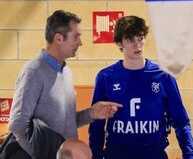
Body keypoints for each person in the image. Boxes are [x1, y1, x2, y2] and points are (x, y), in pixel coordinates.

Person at [8, 10, 122, 158]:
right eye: (76, 37)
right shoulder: (33, 71)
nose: (80, 43)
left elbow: (64, 122)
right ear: (58, 39)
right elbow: (17, 124)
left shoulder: (66, 71)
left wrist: (91, 113)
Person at [89, 15, 193, 159]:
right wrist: (95, 156)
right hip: (117, 154)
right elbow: (96, 126)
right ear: (120, 43)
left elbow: (181, 122)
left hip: (153, 154)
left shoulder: (163, 76)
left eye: (140, 38)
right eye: (130, 40)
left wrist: (189, 155)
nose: (137, 44)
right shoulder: (106, 77)